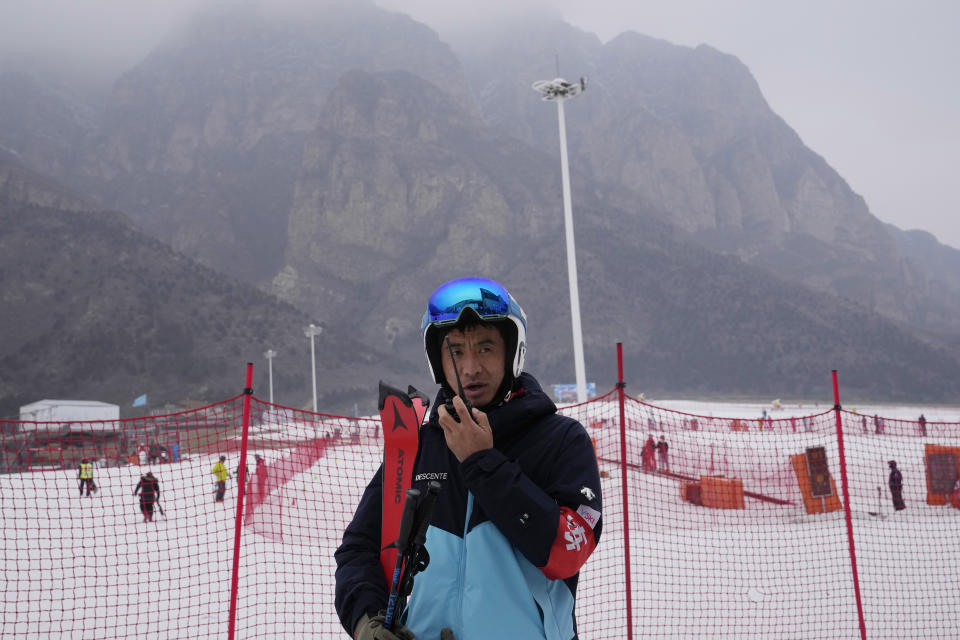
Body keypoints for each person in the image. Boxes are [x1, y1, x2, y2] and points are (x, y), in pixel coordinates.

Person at [335, 277, 602, 640]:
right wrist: (368, 621)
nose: (471, 367)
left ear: (513, 353)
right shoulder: (418, 447)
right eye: (456, 351)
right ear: (438, 362)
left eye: (486, 348)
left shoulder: (561, 440)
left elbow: (568, 552)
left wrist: (482, 462)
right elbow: (359, 548)